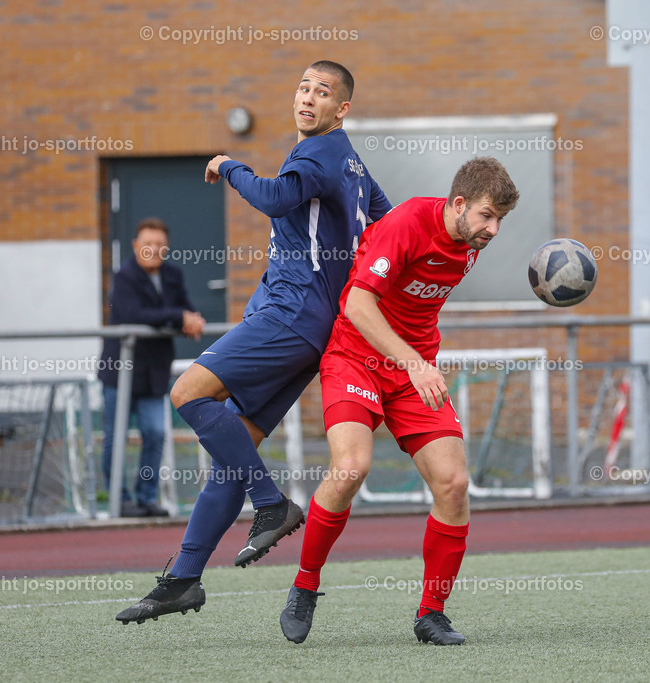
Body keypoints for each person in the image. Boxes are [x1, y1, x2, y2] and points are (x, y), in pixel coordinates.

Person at [115, 60, 390, 625]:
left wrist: (229, 164)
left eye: (324, 92)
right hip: (309, 327)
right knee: (229, 455)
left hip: (291, 316)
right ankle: (182, 580)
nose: (309, 97)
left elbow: (272, 197)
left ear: (342, 110)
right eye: (304, 87)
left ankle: (271, 505)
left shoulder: (321, 153)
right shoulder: (352, 165)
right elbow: (386, 225)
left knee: (188, 393)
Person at [279, 157, 519, 647]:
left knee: (454, 483)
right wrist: (412, 361)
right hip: (355, 357)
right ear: (458, 204)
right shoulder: (408, 223)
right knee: (351, 468)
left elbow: (415, 310)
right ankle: (305, 584)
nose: (493, 229)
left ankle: (432, 615)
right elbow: (357, 304)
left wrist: (414, 363)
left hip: (413, 371)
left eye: (500, 220)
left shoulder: (468, 244)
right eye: (487, 216)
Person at [98, 217, 206, 517]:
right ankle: (119, 500)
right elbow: (133, 313)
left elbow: (184, 307)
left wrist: (189, 317)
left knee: (155, 434)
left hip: (153, 372)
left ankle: (146, 498)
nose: (153, 250)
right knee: (115, 438)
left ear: (167, 247)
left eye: (159, 244)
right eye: (147, 244)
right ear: (135, 246)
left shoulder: (172, 275)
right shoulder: (124, 277)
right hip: (119, 371)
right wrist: (179, 317)